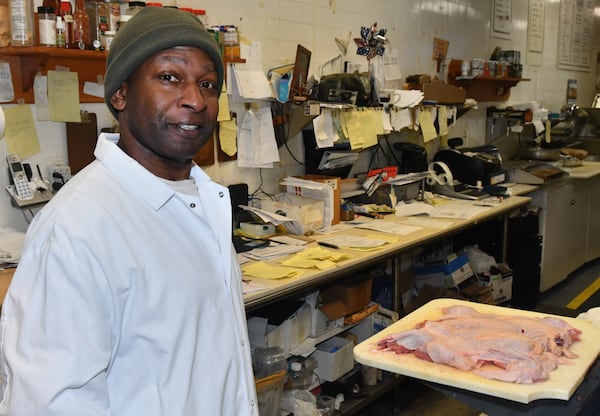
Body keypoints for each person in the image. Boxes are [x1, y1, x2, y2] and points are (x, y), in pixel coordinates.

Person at [0, 7, 258, 415]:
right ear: (119, 93)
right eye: (169, 77)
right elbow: (47, 405)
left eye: (207, 84)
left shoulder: (205, 200)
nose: (195, 99)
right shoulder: (77, 229)